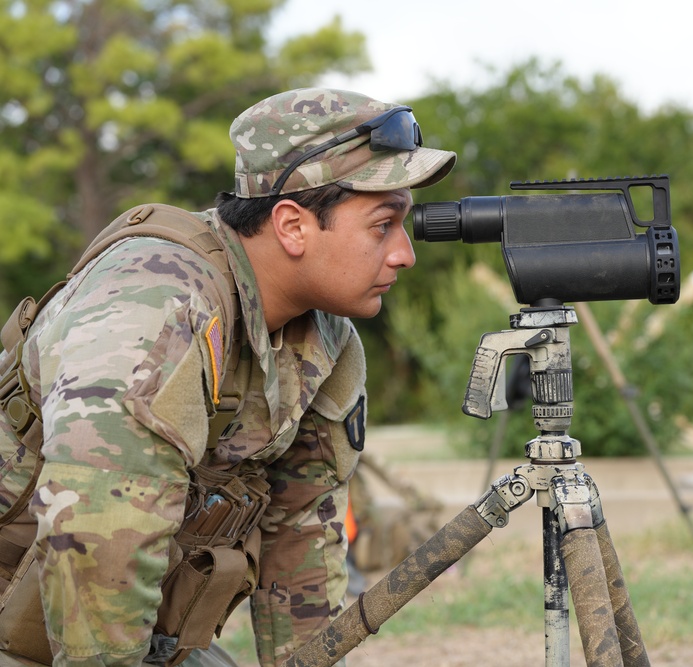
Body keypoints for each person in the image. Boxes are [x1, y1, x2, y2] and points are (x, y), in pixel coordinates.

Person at [0, 87, 456, 666]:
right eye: (383, 225)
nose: (405, 254)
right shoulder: (153, 306)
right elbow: (99, 540)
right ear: (292, 226)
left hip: (114, 632)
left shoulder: (325, 340)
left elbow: (301, 535)